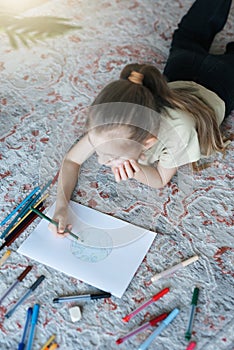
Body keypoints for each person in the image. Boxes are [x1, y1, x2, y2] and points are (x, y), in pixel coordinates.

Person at [49, 0, 234, 236]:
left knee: (203, 39)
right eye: (99, 150)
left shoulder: (177, 131)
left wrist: (133, 170)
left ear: (148, 142)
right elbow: (71, 161)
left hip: (222, 82)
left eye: (113, 156)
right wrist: (61, 206)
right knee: (190, 34)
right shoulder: (111, 123)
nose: (101, 161)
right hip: (182, 68)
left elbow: (159, 179)